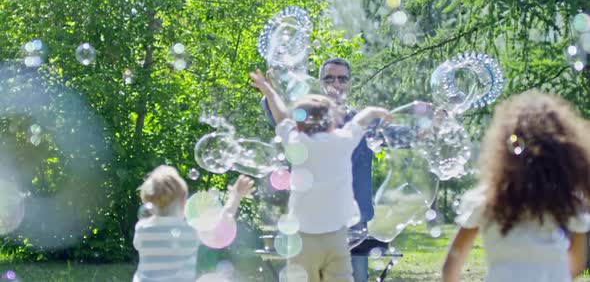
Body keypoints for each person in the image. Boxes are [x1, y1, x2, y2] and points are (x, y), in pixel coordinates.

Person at [260, 57, 416, 281]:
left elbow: (400, 135)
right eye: (329, 78)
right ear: (320, 82)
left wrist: (428, 128)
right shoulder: (303, 122)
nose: (336, 84)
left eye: (342, 79)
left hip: (353, 222)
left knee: (356, 277)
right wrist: (270, 93)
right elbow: (278, 117)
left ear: (349, 83)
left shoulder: (360, 125)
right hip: (307, 222)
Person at [442, 90, 590, 282]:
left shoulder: (485, 201)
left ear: (501, 152)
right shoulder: (570, 204)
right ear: (563, 154)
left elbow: (451, 266)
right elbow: (576, 264)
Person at [133, 165, 254, 282]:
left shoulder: (142, 229)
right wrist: (235, 196)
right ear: (183, 204)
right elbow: (221, 221)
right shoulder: (189, 230)